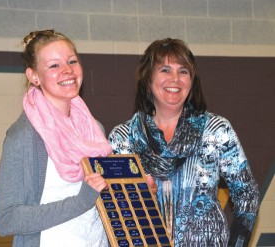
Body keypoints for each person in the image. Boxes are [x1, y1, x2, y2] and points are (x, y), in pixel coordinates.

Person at [108, 38, 260, 247]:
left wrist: (236, 243)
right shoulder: (123, 138)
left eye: (183, 71)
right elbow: (114, 209)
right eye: (165, 70)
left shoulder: (216, 130)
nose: (175, 79)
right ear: (147, 78)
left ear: (192, 80)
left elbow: (247, 193)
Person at [0, 29, 112, 247]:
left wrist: (136, 188)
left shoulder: (94, 129)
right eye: (54, 65)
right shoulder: (23, 137)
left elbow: (98, 195)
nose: (67, 70)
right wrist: (80, 202)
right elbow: (5, 219)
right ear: (34, 76)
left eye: (72, 61)